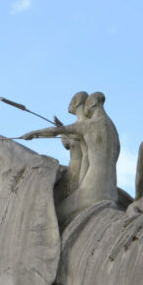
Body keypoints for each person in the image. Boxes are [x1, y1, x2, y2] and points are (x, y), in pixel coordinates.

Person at [23, 91, 119, 220]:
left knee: (51, 215)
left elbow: (54, 132)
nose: (85, 109)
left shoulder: (89, 125)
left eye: (87, 105)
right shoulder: (113, 129)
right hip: (112, 191)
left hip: (93, 188)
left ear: (93, 103)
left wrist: (33, 134)